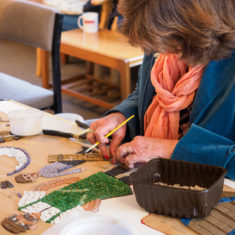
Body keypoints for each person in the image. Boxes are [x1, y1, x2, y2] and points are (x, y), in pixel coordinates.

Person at [87, 0, 235, 179]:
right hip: (157, 183)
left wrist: (170, 150)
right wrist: (122, 117)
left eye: (175, 45)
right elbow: (146, 94)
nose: (167, 53)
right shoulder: (163, 29)